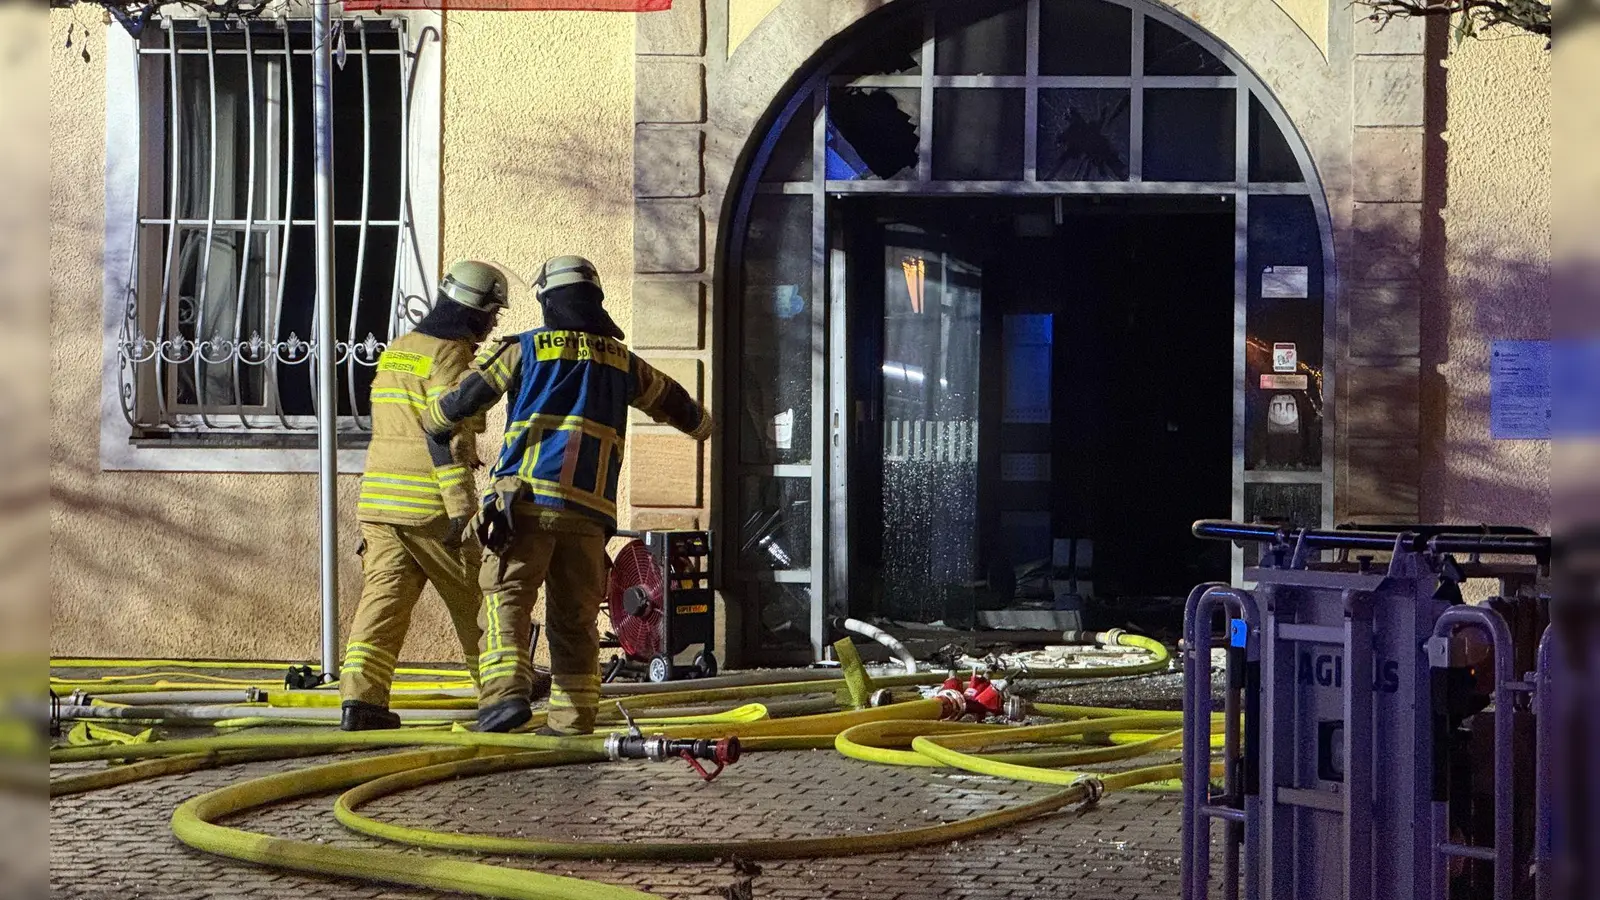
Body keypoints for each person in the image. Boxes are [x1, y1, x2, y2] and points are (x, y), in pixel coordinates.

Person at [425, 255, 711, 734]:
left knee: (506, 599)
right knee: (575, 619)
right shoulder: (622, 361)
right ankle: (573, 719)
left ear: (546, 301)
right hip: (588, 513)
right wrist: (706, 425)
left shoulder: (524, 349)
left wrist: (434, 422)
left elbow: (461, 401)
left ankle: (503, 700)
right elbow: (678, 405)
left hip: (525, 506)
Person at [338, 260, 508, 731]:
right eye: (493, 313)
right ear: (476, 309)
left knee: (383, 603)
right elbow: (445, 432)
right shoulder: (449, 353)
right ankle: (499, 694)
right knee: (477, 599)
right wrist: (461, 511)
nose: (494, 323)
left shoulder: (398, 350)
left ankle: (361, 701)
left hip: (378, 503)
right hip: (430, 506)